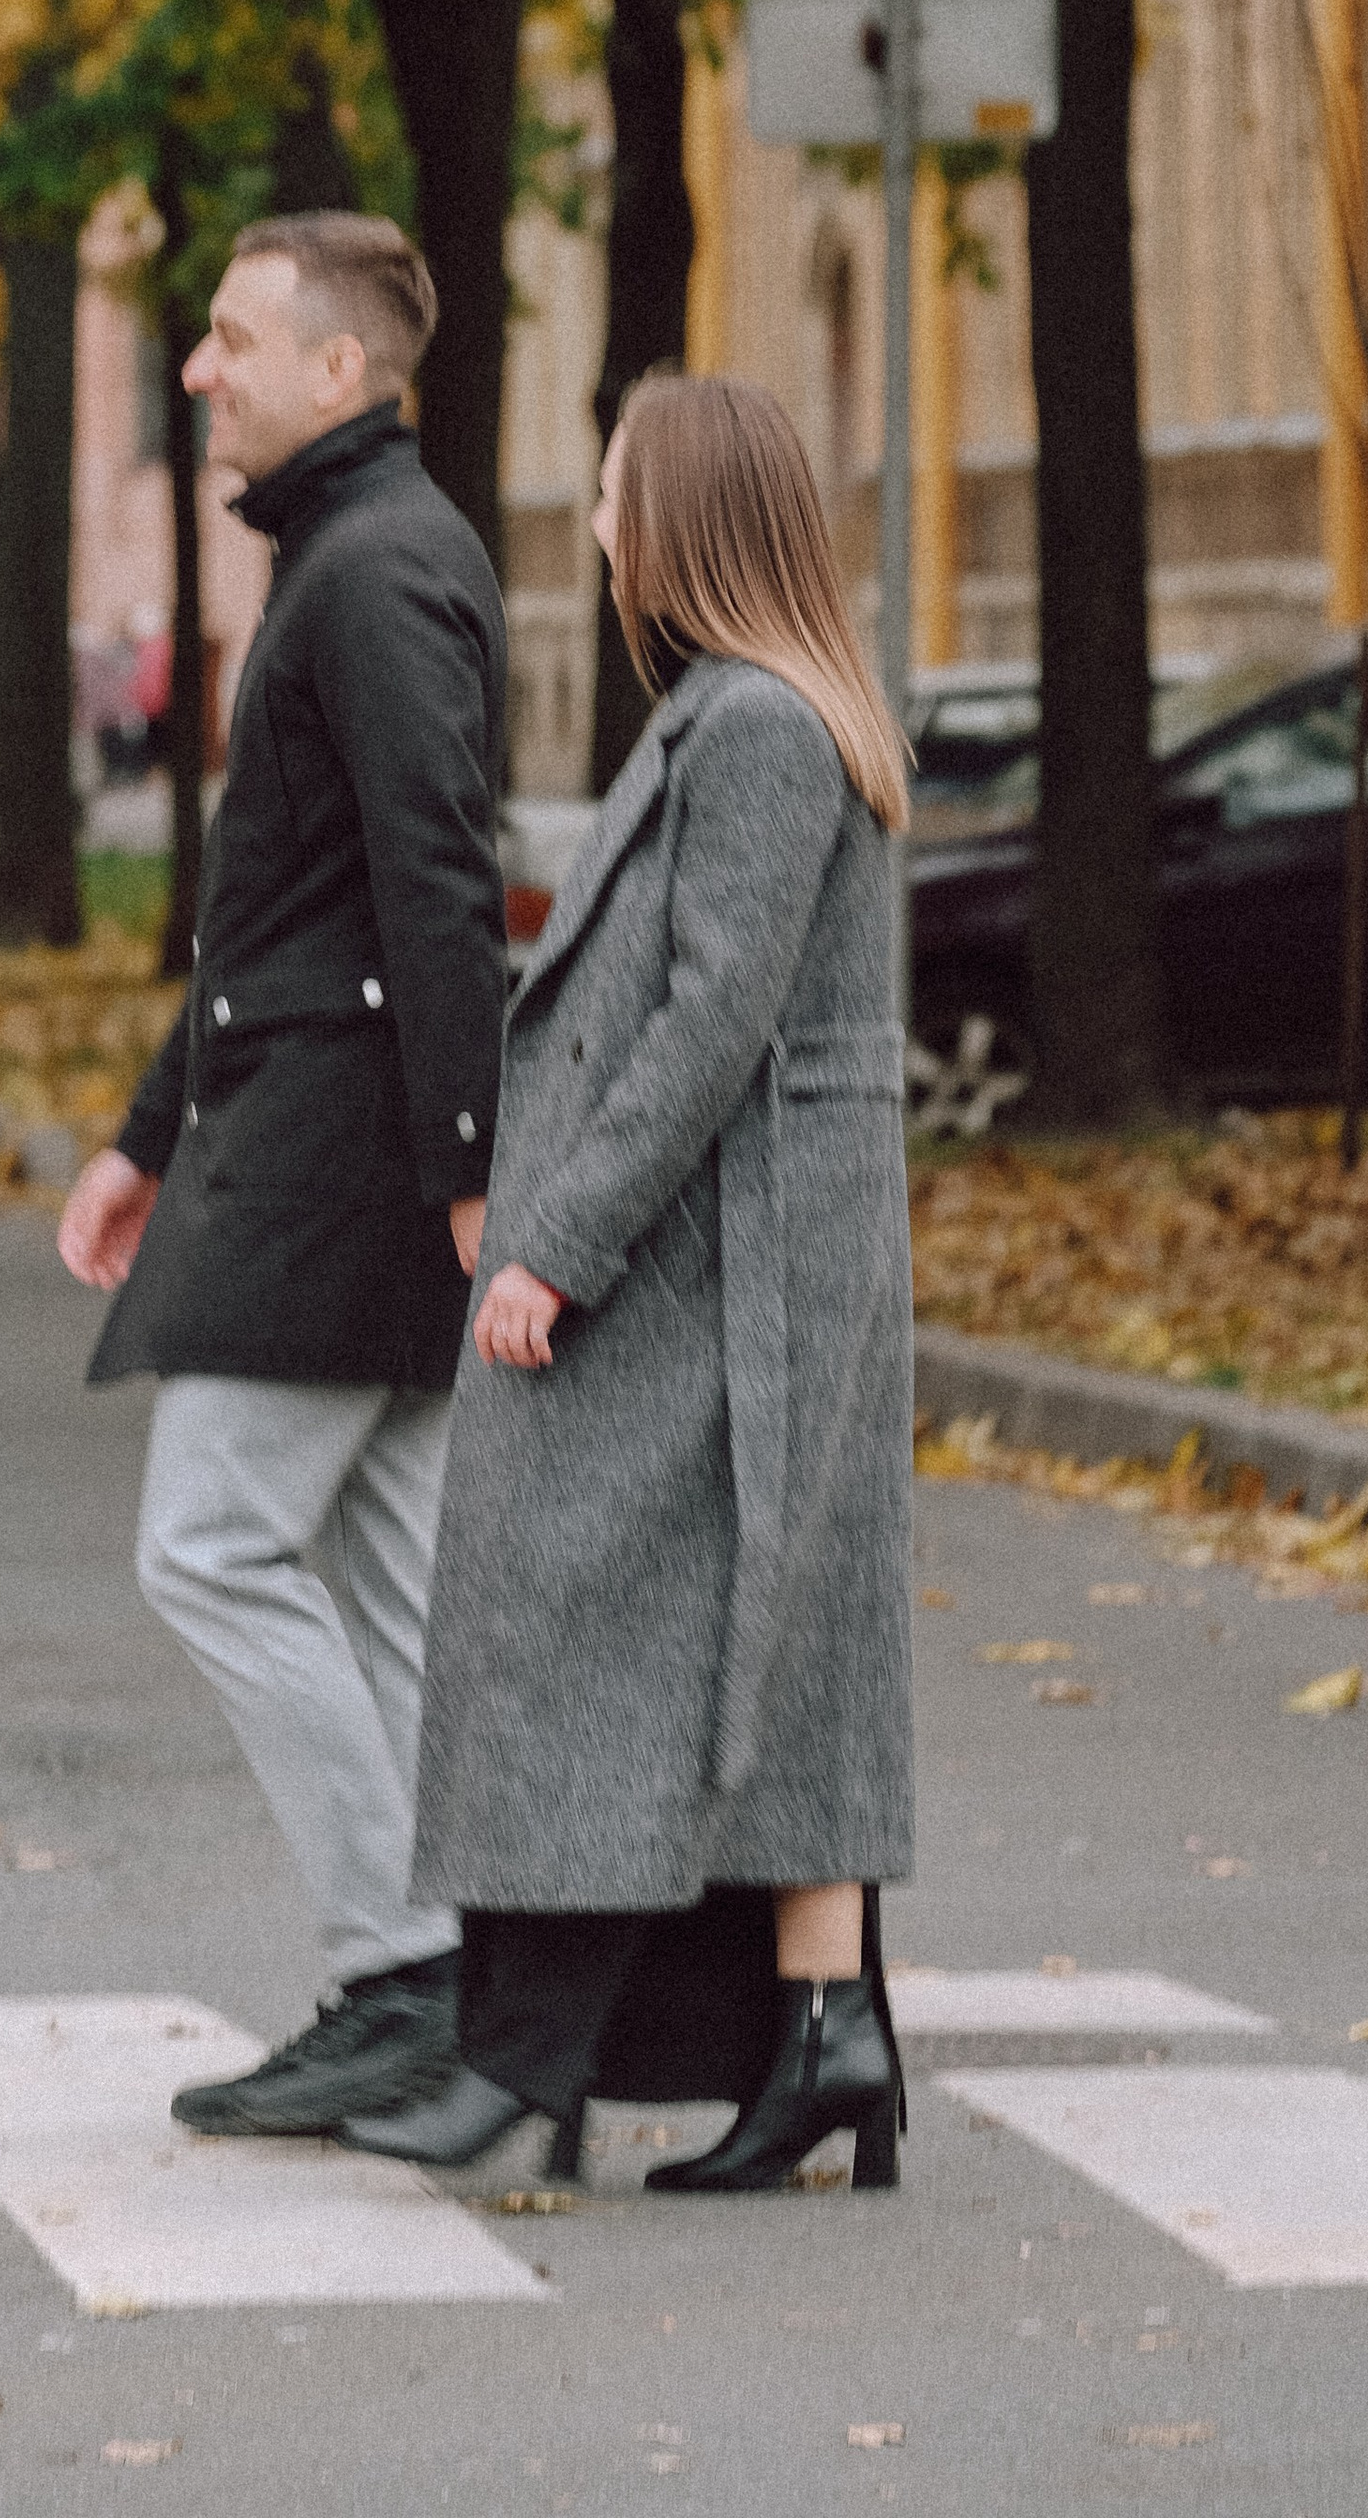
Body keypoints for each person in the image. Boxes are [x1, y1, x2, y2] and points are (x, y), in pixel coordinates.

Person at [341, 370, 916, 2193]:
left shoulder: (751, 727)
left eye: (609, 496)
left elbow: (709, 1020)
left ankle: (537, 2048)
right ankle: (822, 2032)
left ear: (681, 522)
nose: (592, 527)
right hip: (763, 1242)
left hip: (723, 1255)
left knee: (568, 1598)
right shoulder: (756, 710)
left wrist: (554, 1255)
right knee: (787, 1629)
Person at [56, 214, 508, 2137]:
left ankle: (405, 1967)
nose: (196, 369)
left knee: (215, 1545)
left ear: (342, 372)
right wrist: (144, 1135)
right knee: (384, 1571)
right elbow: (286, 909)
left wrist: (477, 1171)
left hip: (346, 1164)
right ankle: (442, 1967)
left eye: (232, 338)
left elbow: (437, 880)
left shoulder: (381, 570)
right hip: (318, 1137)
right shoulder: (349, 555)